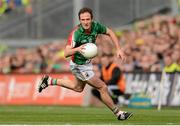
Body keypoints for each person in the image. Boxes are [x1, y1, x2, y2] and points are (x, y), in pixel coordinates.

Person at [38, 7, 133, 120]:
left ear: (91, 19)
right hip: (78, 66)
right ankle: (119, 114)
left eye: (88, 19)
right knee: (102, 87)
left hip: (86, 64)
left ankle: (49, 81)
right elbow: (66, 53)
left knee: (78, 88)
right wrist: (77, 49)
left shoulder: (96, 26)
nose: (85, 22)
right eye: (83, 20)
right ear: (80, 20)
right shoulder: (76, 34)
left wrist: (118, 49)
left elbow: (110, 32)